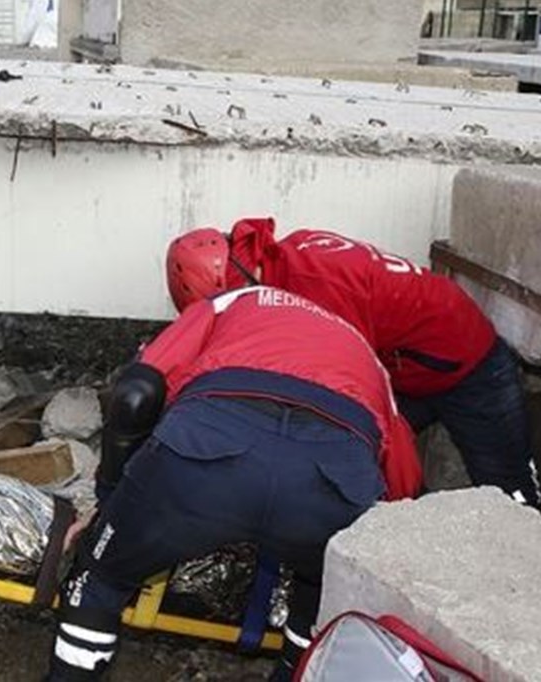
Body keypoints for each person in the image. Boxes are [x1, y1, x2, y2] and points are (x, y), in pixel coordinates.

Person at [47, 285, 423, 682]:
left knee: (101, 576)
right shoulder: (363, 350)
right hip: (332, 477)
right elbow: (405, 481)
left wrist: (110, 504)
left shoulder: (240, 300)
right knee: (322, 600)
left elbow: (137, 393)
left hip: (208, 446)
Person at [166, 219, 539, 508]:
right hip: (407, 367)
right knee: (367, 477)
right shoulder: (283, 257)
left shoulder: (313, 285)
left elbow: (348, 380)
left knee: (510, 494)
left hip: (470, 365)